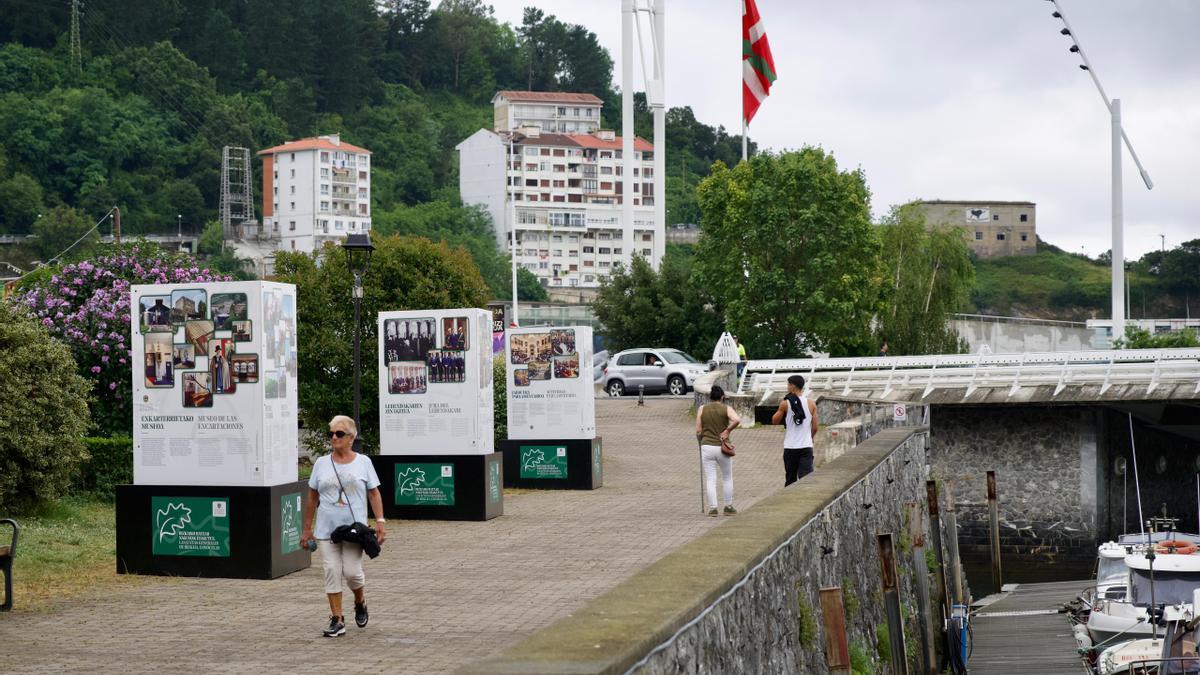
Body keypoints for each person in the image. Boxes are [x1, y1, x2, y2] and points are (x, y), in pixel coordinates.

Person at [300, 415, 388, 637]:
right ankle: (337, 619)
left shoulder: (363, 462)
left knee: (352, 573)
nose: (334, 437)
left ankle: (360, 601)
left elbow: (374, 493)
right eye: (331, 433)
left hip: (353, 531)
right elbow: (312, 497)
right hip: (326, 529)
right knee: (331, 570)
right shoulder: (321, 463)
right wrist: (307, 529)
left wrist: (380, 521)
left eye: (339, 433)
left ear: (351, 437)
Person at [694, 385, 741, 516]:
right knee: (727, 477)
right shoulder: (726, 408)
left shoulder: (702, 409)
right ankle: (728, 506)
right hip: (723, 447)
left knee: (710, 478)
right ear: (722, 397)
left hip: (707, 446)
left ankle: (713, 508)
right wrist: (727, 431)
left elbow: (698, 430)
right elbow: (737, 420)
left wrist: (700, 440)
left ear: (710, 397)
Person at [771, 374, 820, 486]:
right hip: (806, 446)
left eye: (788, 384)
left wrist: (782, 408)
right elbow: (815, 427)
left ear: (793, 386)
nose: (787, 387)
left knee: (790, 480)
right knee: (807, 480)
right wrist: (811, 438)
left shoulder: (785, 403)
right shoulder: (811, 403)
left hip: (790, 447)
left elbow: (774, 421)